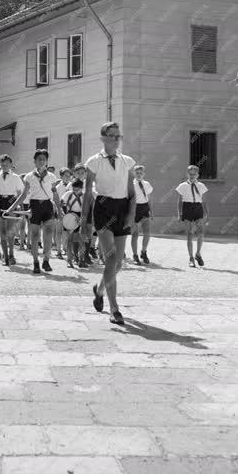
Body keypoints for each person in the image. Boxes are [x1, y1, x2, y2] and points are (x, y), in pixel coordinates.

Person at [83, 122, 136, 326]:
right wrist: (84, 221)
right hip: (103, 209)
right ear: (103, 138)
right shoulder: (94, 161)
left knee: (119, 262)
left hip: (122, 209)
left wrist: (131, 214)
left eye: (118, 136)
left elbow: (132, 192)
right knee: (111, 259)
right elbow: (88, 192)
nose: (116, 139)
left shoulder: (128, 161)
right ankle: (114, 308)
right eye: (112, 135)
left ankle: (100, 289)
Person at [10, 149, 63, 273]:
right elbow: (23, 195)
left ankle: (46, 260)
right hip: (35, 205)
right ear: (35, 161)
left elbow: (55, 195)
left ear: (46, 161)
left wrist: (59, 210)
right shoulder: (29, 176)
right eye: (39, 159)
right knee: (34, 235)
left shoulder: (51, 177)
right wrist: (12, 207)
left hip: (47, 205)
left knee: (48, 234)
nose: (42, 161)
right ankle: (35, 262)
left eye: (44, 159)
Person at [0, 155, 24, 266]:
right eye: (3, 165)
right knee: (2, 231)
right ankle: (5, 256)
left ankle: (12, 254)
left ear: (11, 165)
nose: (4, 166)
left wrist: (18, 207)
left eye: (7, 164)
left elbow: (20, 193)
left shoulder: (16, 177)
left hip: (11, 201)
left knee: (10, 231)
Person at [176, 165, 209, 268]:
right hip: (187, 208)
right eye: (190, 174)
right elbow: (179, 201)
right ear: (187, 174)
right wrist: (179, 213)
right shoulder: (182, 186)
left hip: (198, 208)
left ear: (197, 175)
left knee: (201, 232)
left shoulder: (201, 186)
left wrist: (207, 213)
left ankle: (198, 254)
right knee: (190, 234)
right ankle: (191, 258)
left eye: (194, 174)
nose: (192, 176)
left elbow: (204, 201)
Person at [131, 165, 153, 264]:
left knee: (147, 233)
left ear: (144, 174)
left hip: (145, 208)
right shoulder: (131, 184)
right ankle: (135, 255)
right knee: (135, 234)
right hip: (135, 208)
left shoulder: (147, 184)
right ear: (134, 173)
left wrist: (151, 211)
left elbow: (149, 198)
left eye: (141, 173)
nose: (139, 174)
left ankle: (144, 252)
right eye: (137, 173)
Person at [61, 179, 85, 268]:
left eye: (77, 189)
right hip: (70, 216)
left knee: (81, 240)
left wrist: (82, 218)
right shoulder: (68, 194)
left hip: (81, 217)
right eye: (74, 189)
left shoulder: (85, 196)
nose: (75, 191)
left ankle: (80, 259)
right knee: (70, 240)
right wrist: (64, 214)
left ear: (81, 188)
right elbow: (61, 203)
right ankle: (69, 260)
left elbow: (86, 209)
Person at [55, 167, 73, 258]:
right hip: (60, 209)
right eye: (65, 176)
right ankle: (58, 250)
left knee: (67, 231)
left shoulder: (73, 185)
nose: (68, 177)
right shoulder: (58, 187)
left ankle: (65, 248)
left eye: (69, 176)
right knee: (59, 231)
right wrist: (59, 210)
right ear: (61, 176)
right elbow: (54, 199)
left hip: (70, 209)